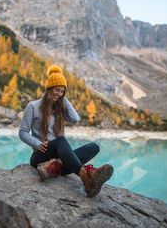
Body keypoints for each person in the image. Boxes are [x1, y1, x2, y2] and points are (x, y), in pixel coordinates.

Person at [19, 65, 113, 197]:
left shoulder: (59, 110)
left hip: (57, 160)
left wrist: (62, 97)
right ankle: (85, 177)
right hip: (40, 155)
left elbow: (75, 119)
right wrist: (37, 144)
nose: (58, 94)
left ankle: (54, 166)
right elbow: (22, 132)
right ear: (49, 88)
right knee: (60, 140)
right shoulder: (33, 106)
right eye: (56, 90)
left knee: (94, 147)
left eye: (62, 91)